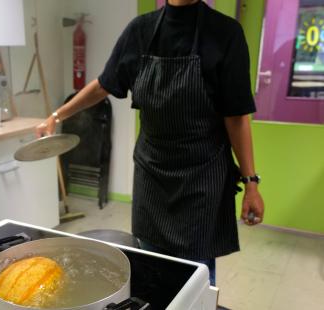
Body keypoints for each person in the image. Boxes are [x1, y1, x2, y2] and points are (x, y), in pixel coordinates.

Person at [36, 0, 264, 288]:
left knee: (194, 275)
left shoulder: (225, 33)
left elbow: (237, 118)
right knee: (150, 263)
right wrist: (57, 115)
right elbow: (105, 83)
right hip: (152, 174)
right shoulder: (140, 31)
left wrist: (251, 184)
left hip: (201, 177)